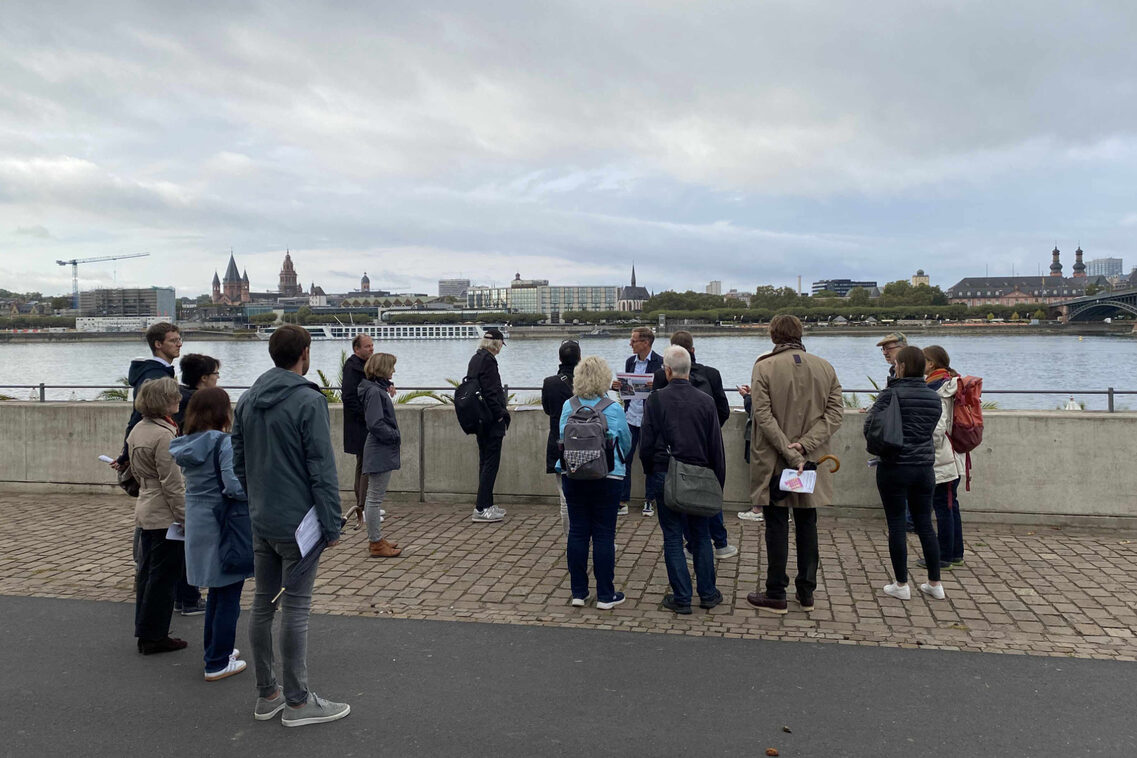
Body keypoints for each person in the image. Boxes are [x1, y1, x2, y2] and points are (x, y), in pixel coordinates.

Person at [232, 324, 349, 727]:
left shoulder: (247, 400)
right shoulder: (307, 400)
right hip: (298, 523)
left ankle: (268, 695)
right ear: (304, 353)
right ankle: (299, 702)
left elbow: (239, 461)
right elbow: (321, 468)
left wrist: (256, 501)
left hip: (261, 517)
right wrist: (332, 524)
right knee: (295, 610)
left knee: (263, 605)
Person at [746, 315, 843, 615]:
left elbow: (763, 416)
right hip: (812, 460)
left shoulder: (764, 367)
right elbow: (835, 414)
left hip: (776, 460)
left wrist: (790, 451)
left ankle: (776, 592)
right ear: (801, 334)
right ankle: (807, 592)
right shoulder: (825, 367)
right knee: (807, 523)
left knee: (776, 524)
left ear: (773, 336)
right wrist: (805, 446)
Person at [169, 387, 251, 681]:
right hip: (223, 522)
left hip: (198, 519)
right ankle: (217, 661)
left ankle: (216, 651)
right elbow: (233, 486)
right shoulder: (223, 443)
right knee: (228, 594)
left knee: (217, 592)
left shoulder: (186, 443)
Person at [640, 345, 725, 614]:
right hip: (700, 475)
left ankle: (682, 597)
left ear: (666, 370)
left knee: (673, 537)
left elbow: (646, 443)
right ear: (689, 370)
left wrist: (650, 475)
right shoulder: (706, 401)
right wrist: (717, 484)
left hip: (666, 474)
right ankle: (709, 594)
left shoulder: (655, 400)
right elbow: (716, 448)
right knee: (701, 536)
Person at [864, 345, 946, 602]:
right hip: (924, 468)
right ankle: (935, 583)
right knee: (925, 525)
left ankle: (901, 584)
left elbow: (870, 426)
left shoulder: (890, 395)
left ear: (900, 366)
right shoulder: (934, 397)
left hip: (894, 466)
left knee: (897, 524)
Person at [652, 331, 736, 558]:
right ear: (693, 350)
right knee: (708, 493)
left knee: (679, 498)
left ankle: (690, 546)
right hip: (704, 447)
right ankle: (720, 542)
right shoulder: (712, 374)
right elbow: (723, 410)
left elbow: (656, 415)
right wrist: (709, 432)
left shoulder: (662, 376)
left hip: (673, 451)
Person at [557, 356, 633, 609]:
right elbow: (625, 442)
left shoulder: (569, 406)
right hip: (608, 476)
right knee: (603, 534)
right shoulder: (612, 409)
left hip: (573, 474)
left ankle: (578, 592)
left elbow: (561, 438)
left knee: (578, 532)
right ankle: (605, 595)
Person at [128, 376, 188, 655]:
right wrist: (186, 518)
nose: (178, 399)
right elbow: (172, 483)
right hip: (163, 512)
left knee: (149, 574)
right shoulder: (164, 435)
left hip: (147, 504)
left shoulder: (140, 428)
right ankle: (155, 635)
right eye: (174, 396)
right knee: (163, 577)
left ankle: (147, 630)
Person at [170, 352, 221, 617]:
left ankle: (183, 595)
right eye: (215, 375)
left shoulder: (177, 401)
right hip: (198, 495)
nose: (217, 380)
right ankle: (190, 597)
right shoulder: (199, 409)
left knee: (183, 544)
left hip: (184, 490)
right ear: (204, 378)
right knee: (197, 546)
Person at [114, 321, 182, 468]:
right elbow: (139, 414)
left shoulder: (155, 372)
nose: (179, 344)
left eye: (179, 339)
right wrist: (126, 455)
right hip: (156, 444)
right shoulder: (156, 376)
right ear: (158, 344)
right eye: (173, 340)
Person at [923, 345, 966, 570]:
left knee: (944, 506)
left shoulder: (937, 389)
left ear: (931, 364)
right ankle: (955, 553)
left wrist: (927, 447)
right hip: (953, 456)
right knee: (950, 505)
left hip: (944, 459)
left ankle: (944, 556)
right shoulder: (951, 383)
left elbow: (938, 429)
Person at [613, 327, 664, 516]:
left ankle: (650, 499)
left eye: (634, 341)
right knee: (624, 457)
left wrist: (657, 385)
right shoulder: (629, 362)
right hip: (630, 417)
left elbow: (667, 388)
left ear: (646, 343)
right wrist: (617, 386)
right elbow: (628, 390)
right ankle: (622, 500)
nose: (630, 343)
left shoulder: (660, 363)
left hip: (649, 419)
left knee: (649, 459)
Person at [358, 352, 402, 558]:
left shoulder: (374, 389)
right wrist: (394, 435)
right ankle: (375, 542)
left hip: (379, 447)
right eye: (391, 367)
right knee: (375, 498)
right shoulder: (375, 393)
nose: (394, 371)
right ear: (383, 369)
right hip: (380, 448)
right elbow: (375, 423)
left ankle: (377, 538)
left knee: (374, 497)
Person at [467, 328, 510, 523]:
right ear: (497, 344)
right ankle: (482, 508)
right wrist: (500, 415)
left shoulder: (476, 358)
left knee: (484, 462)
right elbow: (492, 391)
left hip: (479, 417)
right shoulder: (489, 361)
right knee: (491, 463)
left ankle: (487, 504)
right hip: (491, 419)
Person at [876, 331, 915, 532]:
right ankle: (908, 519)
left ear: (902, 347)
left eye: (888, 348)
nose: (885, 352)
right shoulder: (893, 371)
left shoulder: (913, 370)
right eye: (883, 349)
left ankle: (910, 520)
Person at [542, 340, 581, 534]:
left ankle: (570, 539)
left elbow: (548, 410)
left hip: (559, 443)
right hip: (587, 443)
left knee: (565, 498)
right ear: (580, 358)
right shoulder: (586, 382)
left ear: (559, 358)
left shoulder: (550, 383)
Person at [341, 334, 374, 528]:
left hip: (361, 424)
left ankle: (364, 506)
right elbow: (349, 397)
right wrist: (367, 415)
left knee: (363, 464)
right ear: (356, 349)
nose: (371, 349)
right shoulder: (353, 367)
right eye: (367, 346)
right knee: (365, 465)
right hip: (359, 425)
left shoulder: (363, 365)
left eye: (372, 346)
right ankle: (363, 508)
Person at [173, 353, 221, 429]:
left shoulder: (179, 396)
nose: (218, 377)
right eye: (216, 373)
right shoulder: (202, 403)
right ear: (204, 378)